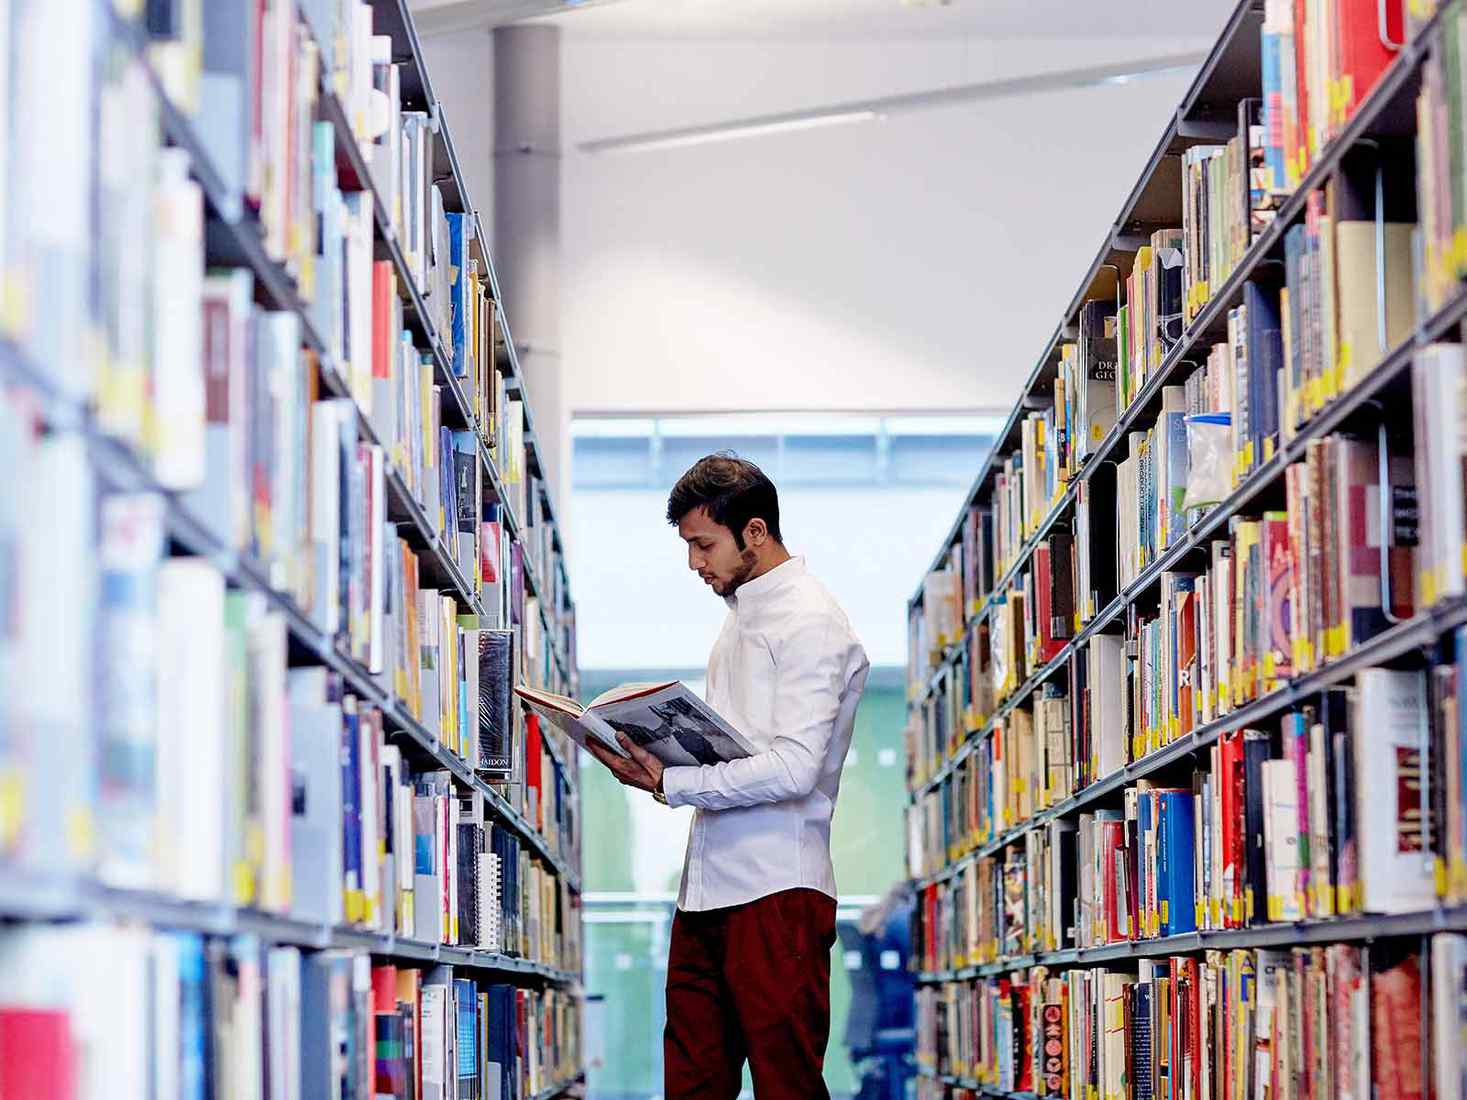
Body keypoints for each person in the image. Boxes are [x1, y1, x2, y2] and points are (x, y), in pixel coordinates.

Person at [586, 452, 870, 1100]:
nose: (694, 563)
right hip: (705, 892)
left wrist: (672, 783)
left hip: (776, 891)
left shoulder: (810, 620)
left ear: (754, 533)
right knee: (691, 1081)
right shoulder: (739, 618)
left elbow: (795, 768)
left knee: (784, 1085)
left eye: (702, 544)